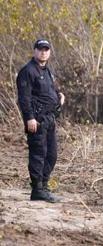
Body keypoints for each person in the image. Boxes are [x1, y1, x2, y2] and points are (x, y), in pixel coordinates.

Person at [16, 39, 65, 203]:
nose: (43, 52)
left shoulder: (47, 71)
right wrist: (29, 117)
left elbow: (50, 90)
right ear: (34, 51)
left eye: (46, 49)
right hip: (35, 121)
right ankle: (37, 190)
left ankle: (44, 186)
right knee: (38, 154)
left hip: (49, 120)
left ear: (49, 52)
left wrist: (59, 96)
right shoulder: (27, 71)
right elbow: (24, 98)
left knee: (52, 154)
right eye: (40, 49)